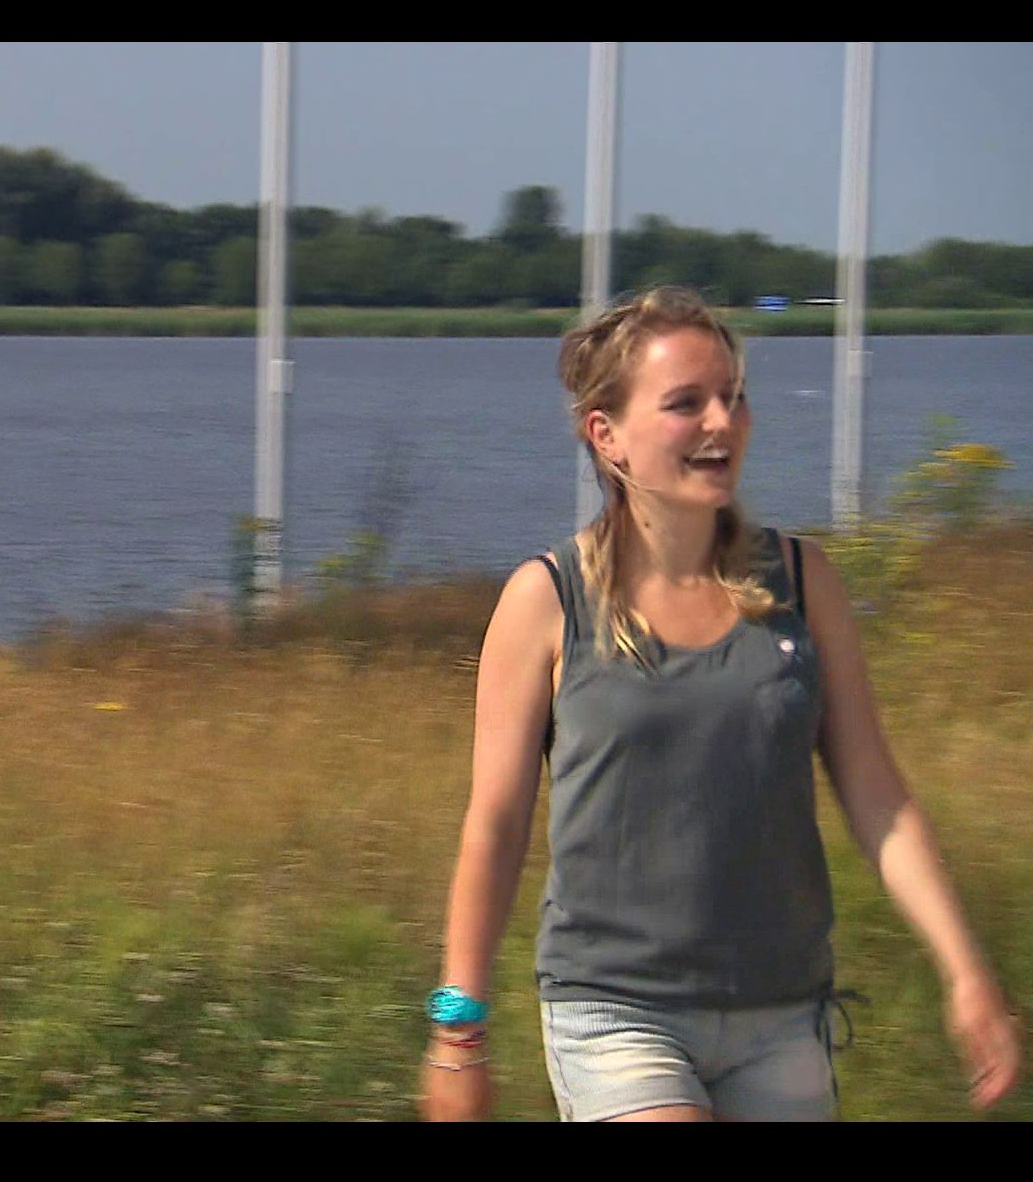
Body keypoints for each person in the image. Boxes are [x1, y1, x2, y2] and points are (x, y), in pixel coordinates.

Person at [420, 285, 1022, 1122]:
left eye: (733, 397)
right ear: (606, 435)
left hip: (783, 1012)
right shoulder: (546, 601)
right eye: (686, 404)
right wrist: (458, 1031)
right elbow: (495, 825)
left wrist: (966, 972)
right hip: (616, 1012)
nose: (721, 422)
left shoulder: (804, 584)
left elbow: (878, 797)